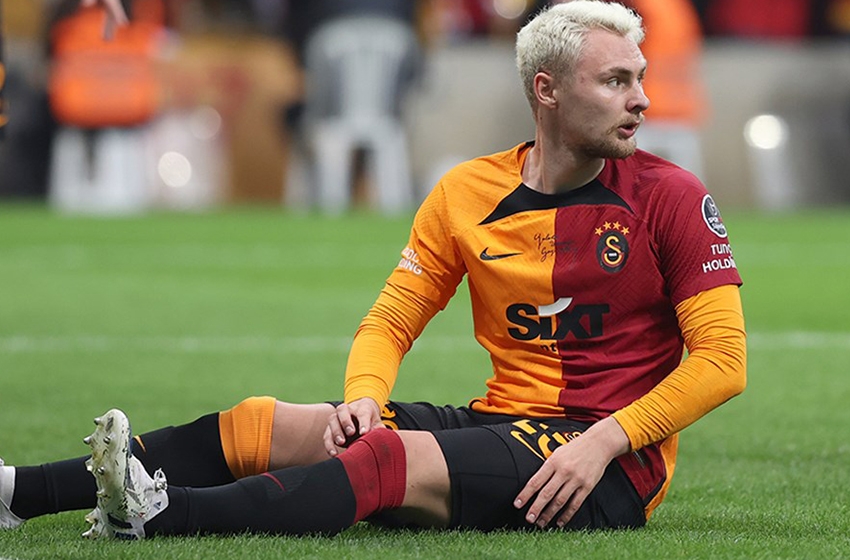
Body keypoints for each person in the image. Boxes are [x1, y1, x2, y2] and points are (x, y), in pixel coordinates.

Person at [0, 0, 746, 539]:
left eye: (638, 77)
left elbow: (723, 362)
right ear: (546, 90)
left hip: (607, 463)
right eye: (615, 81)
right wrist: (364, 395)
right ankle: (18, 493)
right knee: (265, 423)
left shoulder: (672, 196)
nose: (642, 99)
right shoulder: (467, 191)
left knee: (386, 457)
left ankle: (160, 517)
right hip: (505, 421)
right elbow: (392, 319)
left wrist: (608, 438)